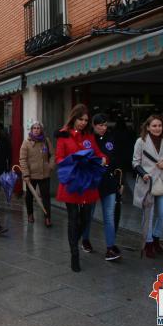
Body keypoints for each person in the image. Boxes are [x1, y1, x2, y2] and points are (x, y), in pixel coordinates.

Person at [55, 104, 106, 272]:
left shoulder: (89, 137)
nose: (83, 123)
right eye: (80, 119)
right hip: (71, 181)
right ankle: (74, 254)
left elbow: (99, 153)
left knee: (85, 220)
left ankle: (74, 243)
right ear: (74, 118)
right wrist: (73, 161)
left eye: (86, 120)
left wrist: (104, 159)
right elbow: (59, 158)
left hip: (87, 183)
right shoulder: (63, 136)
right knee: (73, 218)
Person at [132, 114, 163, 258]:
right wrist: (143, 173)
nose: (157, 128)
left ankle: (156, 238)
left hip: (162, 182)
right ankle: (148, 243)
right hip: (147, 181)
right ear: (148, 127)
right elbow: (135, 162)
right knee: (148, 215)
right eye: (154, 126)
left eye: (160, 126)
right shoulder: (141, 141)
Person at [82, 114, 122, 261]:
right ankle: (85, 239)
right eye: (100, 125)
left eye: (105, 125)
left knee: (109, 216)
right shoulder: (87, 139)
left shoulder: (111, 139)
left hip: (108, 182)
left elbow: (116, 159)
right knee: (88, 214)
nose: (103, 128)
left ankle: (110, 248)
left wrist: (118, 180)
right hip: (92, 182)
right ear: (93, 125)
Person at [19, 121, 55, 227]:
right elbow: (22, 159)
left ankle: (47, 217)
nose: (36, 130)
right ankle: (30, 214)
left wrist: (51, 166)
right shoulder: (26, 143)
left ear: (41, 130)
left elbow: (53, 155)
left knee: (46, 196)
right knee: (29, 196)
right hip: (31, 175)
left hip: (44, 174)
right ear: (31, 130)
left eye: (38, 128)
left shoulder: (46, 141)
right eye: (34, 128)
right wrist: (26, 174)